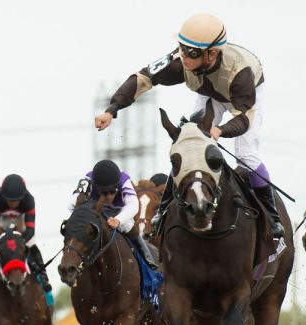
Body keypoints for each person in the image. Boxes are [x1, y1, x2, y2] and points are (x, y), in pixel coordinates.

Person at [94, 13, 284, 238]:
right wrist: (112, 110)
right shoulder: (182, 61)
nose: (182, 56)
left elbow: (242, 119)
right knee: (188, 145)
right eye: (181, 48)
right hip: (210, 93)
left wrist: (220, 130)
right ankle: (164, 207)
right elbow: (144, 78)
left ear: (211, 54)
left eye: (190, 52)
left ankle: (272, 219)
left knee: (246, 153)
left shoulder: (240, 74)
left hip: (242, 100)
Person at [70, 160, 158, 269]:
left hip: (118, 211)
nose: (109, 197)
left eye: (113, 192)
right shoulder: (87, 180)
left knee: (127, 225)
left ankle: (147, 257)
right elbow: (72, 204)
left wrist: (118, 219)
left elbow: (133, 205)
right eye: (104, 193)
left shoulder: (124, 179)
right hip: (94, 211)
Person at [0, 174, 52, 294]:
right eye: (9, 201)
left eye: (16, 201)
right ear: (3, 197)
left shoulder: (29, 200)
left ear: (22, 198)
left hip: (21, 222)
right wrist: (1, 243)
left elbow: (30, 231)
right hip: (1, 222)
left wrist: (18, 243)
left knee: (31, 244)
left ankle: (43, 276)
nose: (12, 204)